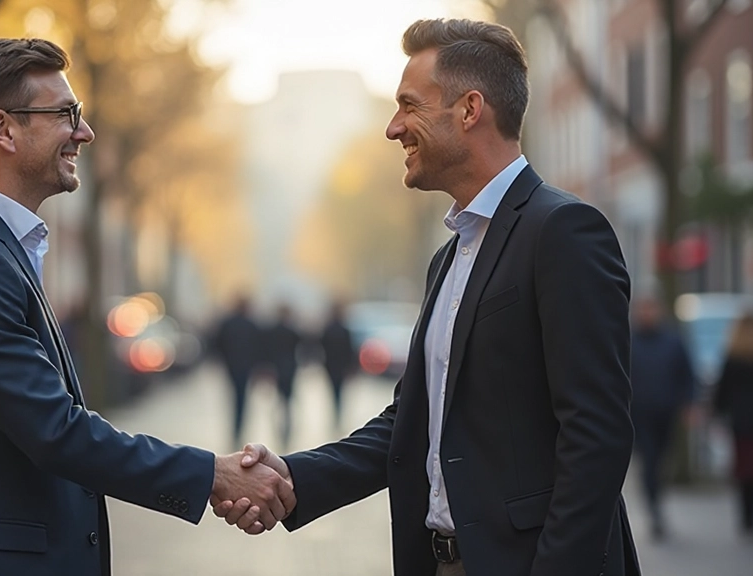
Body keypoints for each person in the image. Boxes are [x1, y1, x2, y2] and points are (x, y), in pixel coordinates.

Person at [215, 18, 640, 576]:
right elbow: (412, 422)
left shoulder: (562, 231)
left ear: (469, 110)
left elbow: (597, 435)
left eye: (409, 106)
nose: (394, 129)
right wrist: (294, 478)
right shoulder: (449, 257)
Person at [0, 38, 293, 576]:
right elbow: (56, 431)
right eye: (65, 114)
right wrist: (212, 475)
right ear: (3, 129)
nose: (85, 131)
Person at [628, 292, 695, 540]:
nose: (647, 314)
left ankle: (656, 498)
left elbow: (687, 374)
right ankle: (654, 508)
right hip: (639, 413)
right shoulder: (629, 340)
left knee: (660, 460)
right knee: (649, 461)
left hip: (666, 412)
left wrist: (689, 404)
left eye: (651, 309)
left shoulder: (673, 342)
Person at [713, 313, 753, 535]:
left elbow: (722, 390)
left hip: (740, 421)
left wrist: (717, 414)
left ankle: (746, 517)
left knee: (744, 468)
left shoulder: (733, 357)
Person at [213, 296, 261, 448]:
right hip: (245, 367)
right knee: (242, 398)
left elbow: (218, 344)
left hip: (232, 366)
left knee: (235, 397)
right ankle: (239, 428)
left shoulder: (227, 324)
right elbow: (258, 348)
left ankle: (236, 429)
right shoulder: (252, 324)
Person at [265, 304, 302, 449]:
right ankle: (287, 420)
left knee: (280, 396)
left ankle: (280, 418)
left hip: (277, 367)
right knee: (288, 397)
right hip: (290, 367)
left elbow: (268, 350)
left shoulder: (272, 331)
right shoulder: (292, 330)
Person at [319, 300, 357, 431]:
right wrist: (351, 366)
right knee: (339, 392)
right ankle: (338, 415)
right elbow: (350, 349)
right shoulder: (344, 330)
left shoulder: (328, 329)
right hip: (341, 366)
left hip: (331, 365)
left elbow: (322, 347)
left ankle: (335, 414)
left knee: (333, 391)